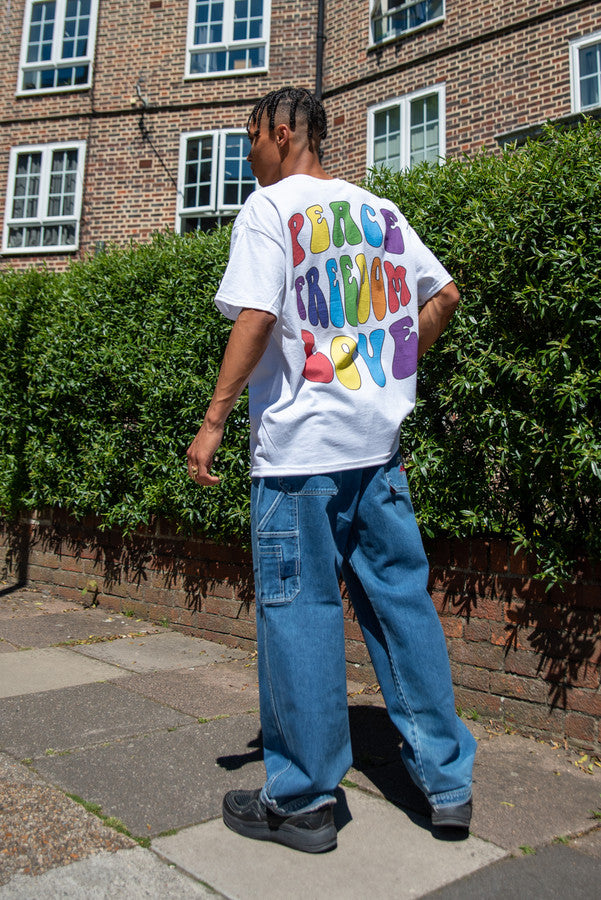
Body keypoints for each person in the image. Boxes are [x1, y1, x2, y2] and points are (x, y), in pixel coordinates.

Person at [187, 87, 476, 854]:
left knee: (300, 615)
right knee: (399, 609)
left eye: (251, 140)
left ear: (283, 134)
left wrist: (213, 420)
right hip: (376, 455)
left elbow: (257, 317)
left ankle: (303, 803)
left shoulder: (270, 208)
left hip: (298, 461)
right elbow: (441, 296)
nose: (249, 157)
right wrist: (388, 374)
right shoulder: (378, 211)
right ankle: (446, 784)